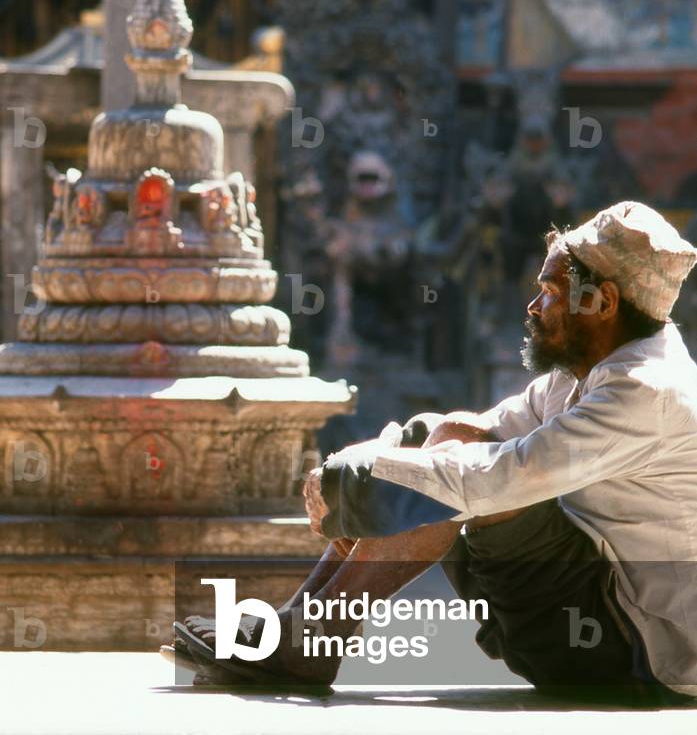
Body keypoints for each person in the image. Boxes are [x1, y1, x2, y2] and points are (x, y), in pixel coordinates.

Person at [173, 201, 697, 704]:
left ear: (603, 303)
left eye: (550, 292)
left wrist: (354, 482)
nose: (534, 307)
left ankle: (304, 641)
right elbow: (475, 434)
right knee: (443, 436)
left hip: (636, 652)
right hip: (579, 617)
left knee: (455, 476)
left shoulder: (646, 390)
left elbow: (500, 476)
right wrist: (370, 463)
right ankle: (305, 628)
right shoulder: (581, 375)